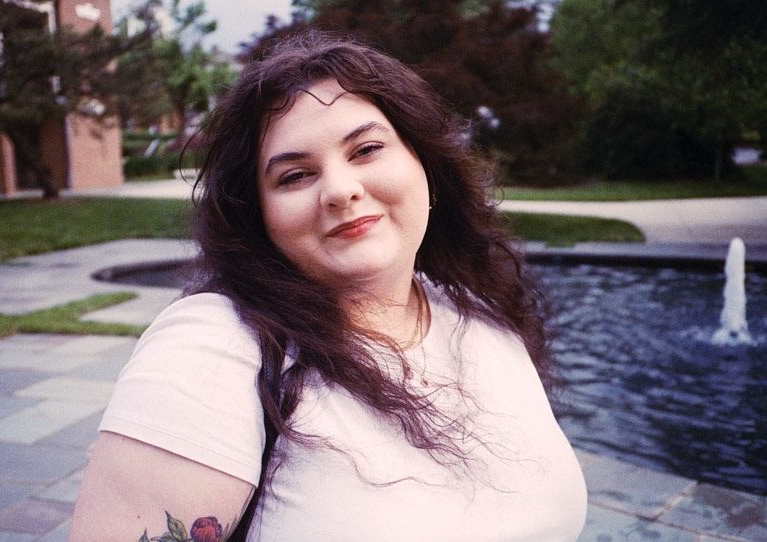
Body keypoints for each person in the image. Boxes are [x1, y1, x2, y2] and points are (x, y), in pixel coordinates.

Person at [70, 31, 587, 541]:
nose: (341, 190)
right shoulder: (215, 348)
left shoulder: (476, 312)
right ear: (259, 215)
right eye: (294, 176)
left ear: (424, 162)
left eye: (365, 149)